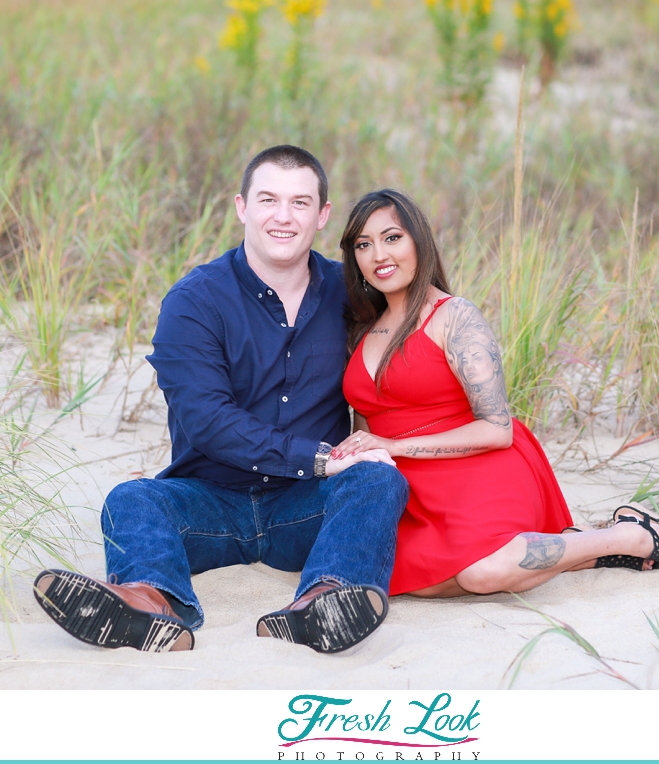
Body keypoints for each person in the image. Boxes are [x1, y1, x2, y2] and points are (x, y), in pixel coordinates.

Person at [33, 147, 408, 653]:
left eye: (300, 203)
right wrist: (319, 459)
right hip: (210, 502)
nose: (283, 216)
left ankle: (321, 599)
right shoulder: (194, 300)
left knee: (378, 479)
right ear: (241, 207)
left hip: (305, 506)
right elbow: (208, 421)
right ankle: (148, 602)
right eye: (268, 199)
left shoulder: (353, 295)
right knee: (133, 499)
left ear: (322, 215)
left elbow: (418, 348)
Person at [334, 189, 659, 599]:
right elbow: (366, 427)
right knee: (414, 581)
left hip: (477, 466)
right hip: (408, 485)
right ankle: (583, 549)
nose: (379, 255)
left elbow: (497, 430)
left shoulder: (454, 316)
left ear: (419, 242)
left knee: (481, 574)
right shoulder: (360, 330)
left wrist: (394, 445)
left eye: (392, 238)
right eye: (363, 245)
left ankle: (628, 539)